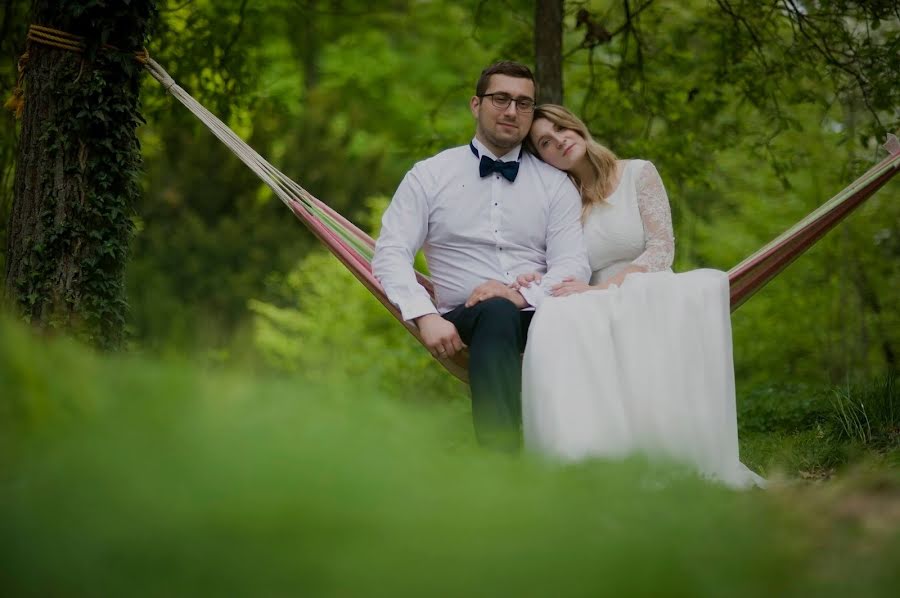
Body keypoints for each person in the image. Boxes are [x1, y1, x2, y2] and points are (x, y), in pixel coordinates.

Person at [517, 104, 764, 488]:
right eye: (545, 142)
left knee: (635, 297)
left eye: (562, 129)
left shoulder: (636, 172)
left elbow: (662, 249)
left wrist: (605, 289)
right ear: (543, 157)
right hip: (590, 299)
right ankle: (584, 455)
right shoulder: (562, 199)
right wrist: (540, 274)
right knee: (556, 318)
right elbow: (563, 262)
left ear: (578, 128)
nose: (559, 141)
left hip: (646, 285)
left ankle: (659, 450)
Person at [372, 64, 590, 450]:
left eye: (523, 103)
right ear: (477, 105)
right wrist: (425, 317)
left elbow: (572, 264)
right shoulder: (429, 175)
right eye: (500, 99)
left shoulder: (555, 184)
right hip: (465, 319)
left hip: (541, 312)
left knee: (586, 318)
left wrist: (519, 296)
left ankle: (583, 455)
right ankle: (501, 460)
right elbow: (390, 253)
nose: (511, 111)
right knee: (494, 312)